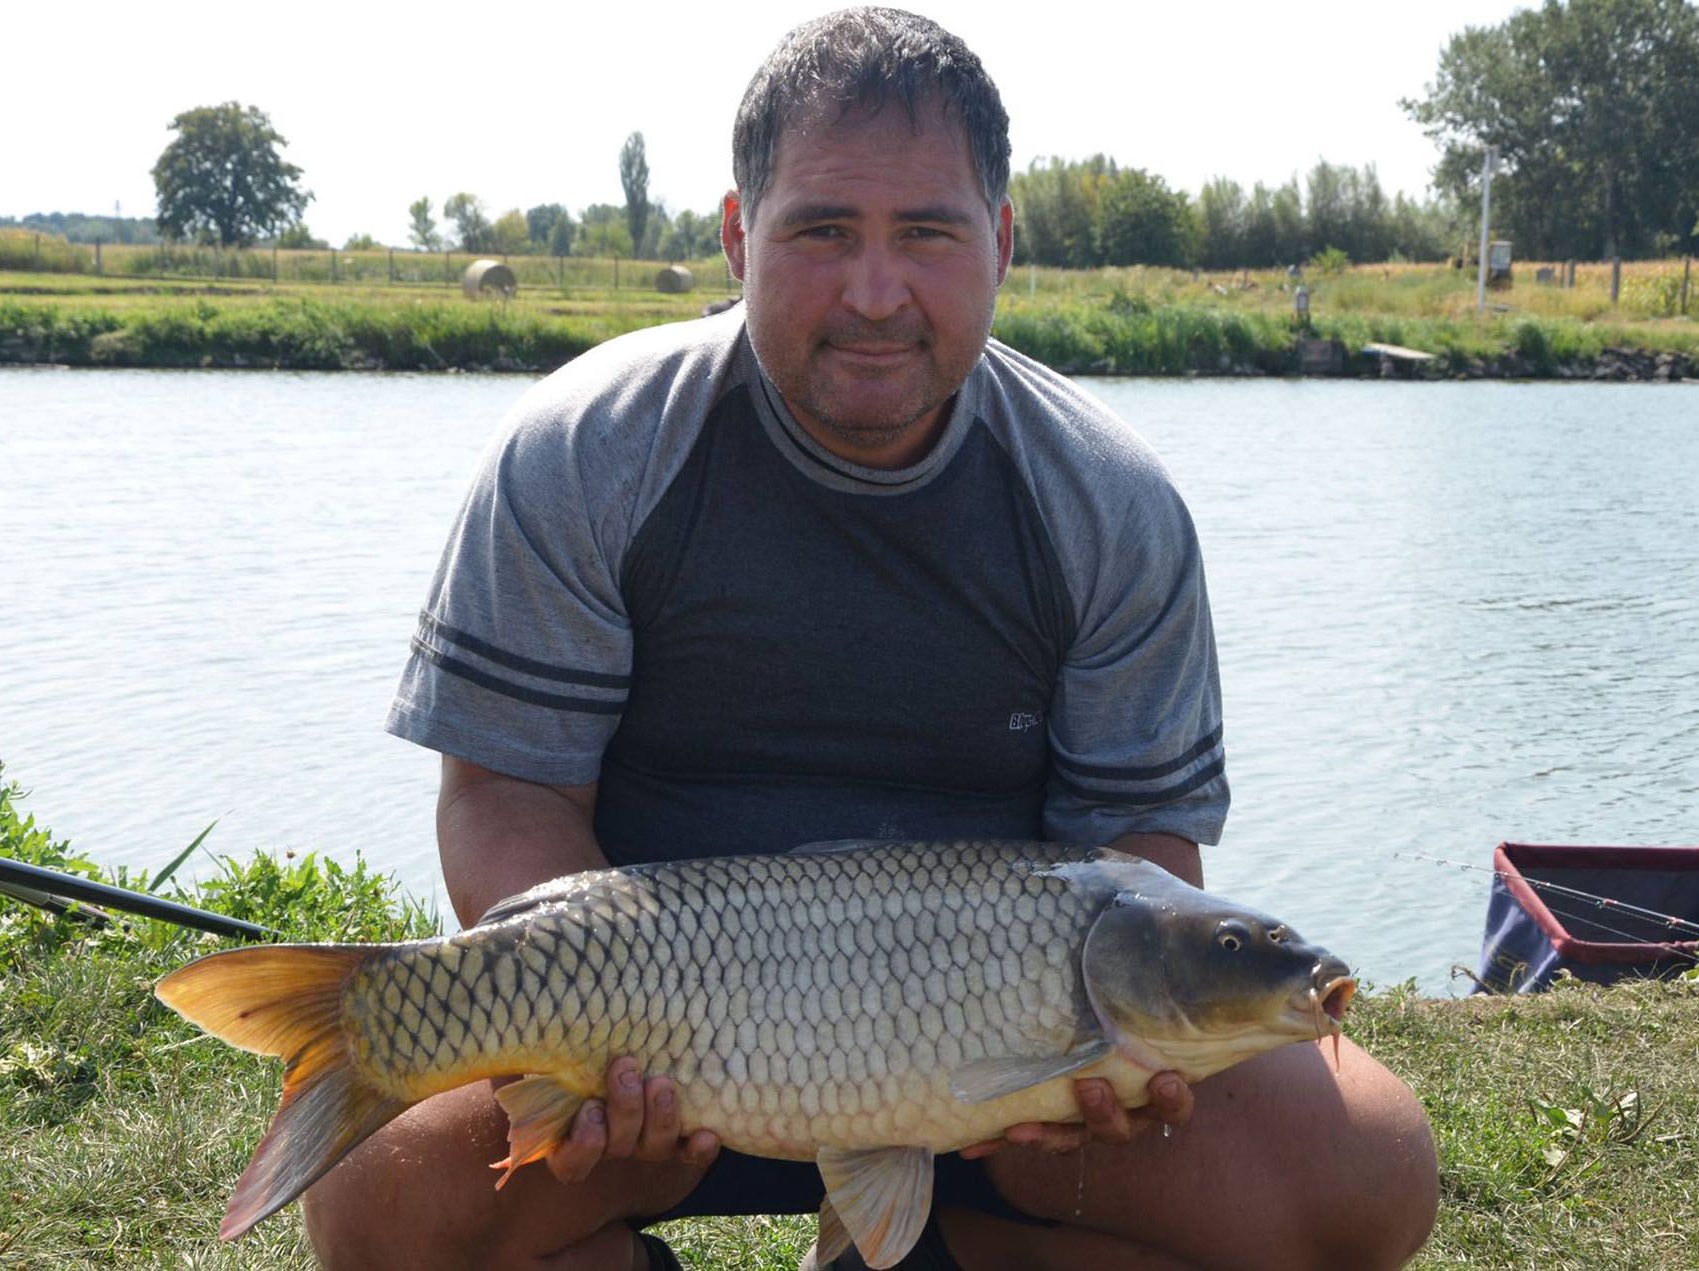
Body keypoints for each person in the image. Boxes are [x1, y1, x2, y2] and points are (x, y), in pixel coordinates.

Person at [307, 8, 1438, 1268]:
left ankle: (919, 1253)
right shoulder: (588, 452)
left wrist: (1089, 1084)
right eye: (823, 230)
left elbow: (1141, 853)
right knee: (376, 1201)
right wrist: (594, 1050)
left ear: (1002, 244)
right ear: (740, 234)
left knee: (1368, 1176)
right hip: (661, 1054)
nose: (875, 291)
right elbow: (507, 796)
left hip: (1001, 1079)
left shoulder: (1107, 501)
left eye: (929, 234)